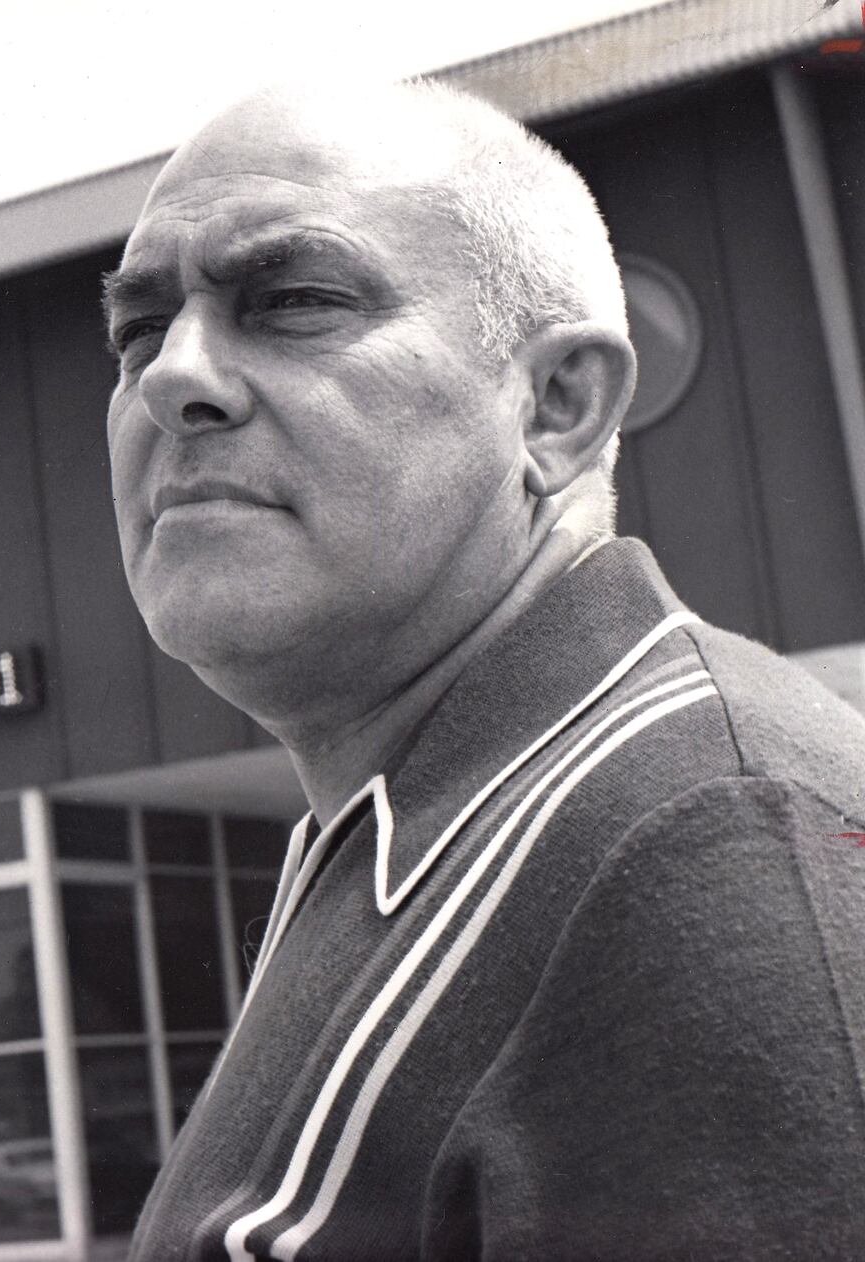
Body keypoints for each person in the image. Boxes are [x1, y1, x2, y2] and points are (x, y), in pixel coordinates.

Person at [102, 78, 865, 1259]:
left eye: (294, 298)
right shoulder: (410, 838)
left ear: (555, 406)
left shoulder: (707, 841)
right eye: (138, 327)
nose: (171, 375)